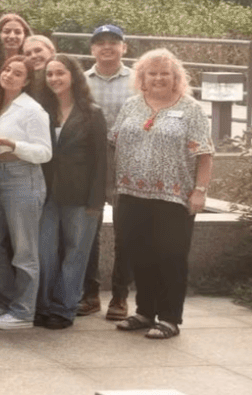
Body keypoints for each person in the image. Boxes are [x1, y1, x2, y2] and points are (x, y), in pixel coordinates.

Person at [111, 49, 214, 339]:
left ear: (176, 77)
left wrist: (200, 192)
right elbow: (114, 143)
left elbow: (205, 154)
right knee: (139, 253)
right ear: (142, 78)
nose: (158, 78)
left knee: (170, 255)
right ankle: (145, 312)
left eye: (164, 73)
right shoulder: (131, 106)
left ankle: (169, 317)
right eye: (152, 73)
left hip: (174, 196)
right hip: (132, 194)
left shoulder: (191, 108)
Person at [0, 55, 52, 330]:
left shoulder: (32, 110)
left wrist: (13, 144)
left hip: (23, 178)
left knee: (24, 250)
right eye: (7, 69)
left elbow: (45, 152)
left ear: (27, 81)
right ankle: (6, 301)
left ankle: (23, 311)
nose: (9, 74)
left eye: (17, 73)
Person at [35, 56, 107, 329]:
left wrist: (97, 200)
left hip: (81, 195)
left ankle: (64, 309)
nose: (54, 79)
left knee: (76, 252)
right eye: (50, 74)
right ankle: (44, 305)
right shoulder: (42, 110)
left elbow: (102, 160)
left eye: (60, 73)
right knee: (45, 251)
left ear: (73, 76)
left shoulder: (91, 112)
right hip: (47, 193)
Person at [83, 23, 134, 320]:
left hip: (127, 159)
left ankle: (120, 295)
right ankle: (90, 293)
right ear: (92, 49)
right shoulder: (82, 81)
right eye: (100, 42)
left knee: (125, 230)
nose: (107, 47)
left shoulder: (137, 80)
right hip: (90, 160)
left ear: (123, 47)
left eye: (113, 42)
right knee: (89, 228)